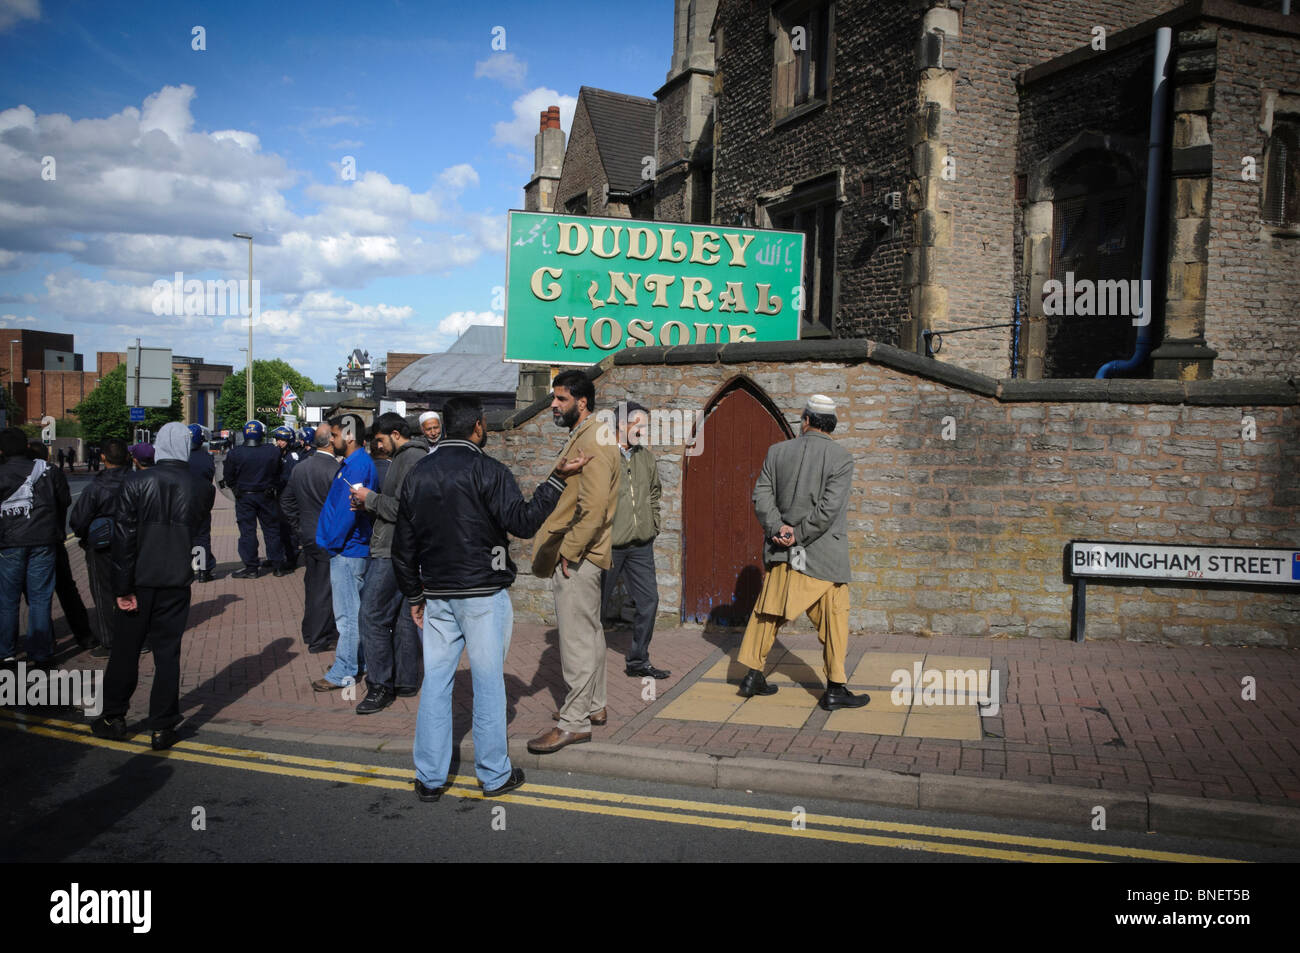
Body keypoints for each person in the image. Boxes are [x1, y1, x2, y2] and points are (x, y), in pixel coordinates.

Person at [393, 396, 590, 800]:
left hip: (437, 594)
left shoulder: (417, 474)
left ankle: (429, 779)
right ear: (479, 426)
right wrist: (556, 479)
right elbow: (523, 522)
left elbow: (403, 546)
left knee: (435, 684)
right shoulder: (489, 470)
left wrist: (414, 594)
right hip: (483, 592)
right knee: (487, 684)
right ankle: (493, 775)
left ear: (445, 427)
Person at [735, 394, 868, 711]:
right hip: (822, 555)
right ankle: (835, 687)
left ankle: (753, 675)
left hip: (783, 551)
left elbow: (761, 498)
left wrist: (780, 530)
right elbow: (828, 510)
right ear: (831, 424)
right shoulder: (842, 458)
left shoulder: (777, 452)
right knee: (834, 616)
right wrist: (799, 534)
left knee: (769, 610)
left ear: (806, 420)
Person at [91, 422, 214, 749]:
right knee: (167, 654)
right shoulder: (203, 487)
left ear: (159, 445)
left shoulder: (136, 481)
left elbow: (124, 540)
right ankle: (162, 725)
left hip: (139, 579)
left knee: (125, 651)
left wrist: (121, 588)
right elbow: (196, 531)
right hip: (176, 579)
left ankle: (113, 716)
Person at [526, 370, 621, 755]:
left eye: (561, 399)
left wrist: (571, 550)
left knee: (577, 642)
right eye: (554, 398)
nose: (553, 404)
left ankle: (574, 723)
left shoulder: (595, 438)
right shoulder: (590, 434)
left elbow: (595, 506)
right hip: (585, 556)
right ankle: (593, 707)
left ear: (582, 402)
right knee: (591, 634)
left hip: (578, 558)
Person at [348, 413, 429, 714]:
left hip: (392, 550)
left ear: (395, 434)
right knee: (403, 617)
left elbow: (408, 510)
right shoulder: (414, 457)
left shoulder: (409, 459)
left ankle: (379, 685)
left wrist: (370, 498)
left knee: (371, 615)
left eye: (380, 440)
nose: (378, 447)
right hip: (403, 548)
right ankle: (406, 681)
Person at [602, 401, 670, 680]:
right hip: (608, 546)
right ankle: (587, 667)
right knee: (595, 608)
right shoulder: (602, 456)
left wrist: (653, 524)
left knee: (649, 602)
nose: (642, 431)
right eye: (637, 425)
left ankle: (638, 660)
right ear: (621, 425)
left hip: (641, 545)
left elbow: (654, 492)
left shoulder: (646, 458)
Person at [312, 413, 377, 692]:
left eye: (336, 435)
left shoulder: (357, 465)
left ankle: (344, 671)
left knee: (347, 615)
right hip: (348, 549)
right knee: (352, 612)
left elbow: (347, 514)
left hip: (347, 550)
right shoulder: (354, 463)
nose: (333, 440)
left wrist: (334, 542)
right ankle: (355, 662)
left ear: (349, 435)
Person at [0, 428, 68, 665]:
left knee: (7, 600)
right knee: (40, 598)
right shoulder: (49, 470)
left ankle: (6, 652)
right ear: (26, 447)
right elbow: (64, 500)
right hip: (43, 539)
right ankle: (40, 653)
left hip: (9, 543)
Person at [25, 441, 93, 648]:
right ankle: (84, 635)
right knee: (66, 588)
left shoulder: (12, 472)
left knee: (34, 595)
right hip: (52, 537)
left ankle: (45, 641)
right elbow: (64, 501)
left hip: (20, 541)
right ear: (46, 456)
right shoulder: (53, 472)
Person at [69, 437, 131, 658]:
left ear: (103, 457)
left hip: (102, 545)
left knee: (103, 592)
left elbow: (78, 520)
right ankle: (138, 636)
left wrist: (84, 537)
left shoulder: (95, 487)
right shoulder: (139, 482)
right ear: (127, 456)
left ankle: (109, 641)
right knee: (134, 588)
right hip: (133, 543)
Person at [281, 426, 341, 654]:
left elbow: (286, 502)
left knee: (313, 585)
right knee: (325, 589)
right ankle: (319, 637)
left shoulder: (300, 468)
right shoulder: (335, 470)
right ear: (330, 442)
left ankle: (310, 631)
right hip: (326, 537)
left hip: (309, 534)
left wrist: (299, 527)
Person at [222, 420, 286, 579]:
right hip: (266, 496)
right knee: (272, 530)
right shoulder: (272, 451)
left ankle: (251, 567)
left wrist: (236, 488)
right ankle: (278, 565)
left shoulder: (235, 453)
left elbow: (228, 477)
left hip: (245, 496)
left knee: (247, 532)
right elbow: (279, 473)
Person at [187, 424, 216, 582]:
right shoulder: (207, 457)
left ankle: (187, 568)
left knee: (183, 535)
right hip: (202, 499)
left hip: (182, 499)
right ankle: (204, 570)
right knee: (202, 535)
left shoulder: (178, 456)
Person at [270, 426, 301, 572]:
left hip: (289, 497)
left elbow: (289, 477)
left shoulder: (292, 456)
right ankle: (281, 556)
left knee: (289, 527)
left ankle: (292, 557)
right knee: (280, 527)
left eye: (282, 440)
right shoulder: (279, 454)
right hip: (281, 495)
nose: (279, 442)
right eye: (278, 439)